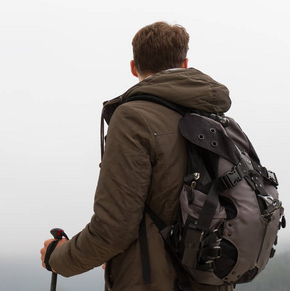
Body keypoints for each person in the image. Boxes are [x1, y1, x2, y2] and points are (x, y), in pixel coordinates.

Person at [40, 21, 233, 291]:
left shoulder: (133, 119)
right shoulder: (214, 120)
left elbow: (112, 231)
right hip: (209, 281)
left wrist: (57, 256)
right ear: (185, 63)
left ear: (133, 67)